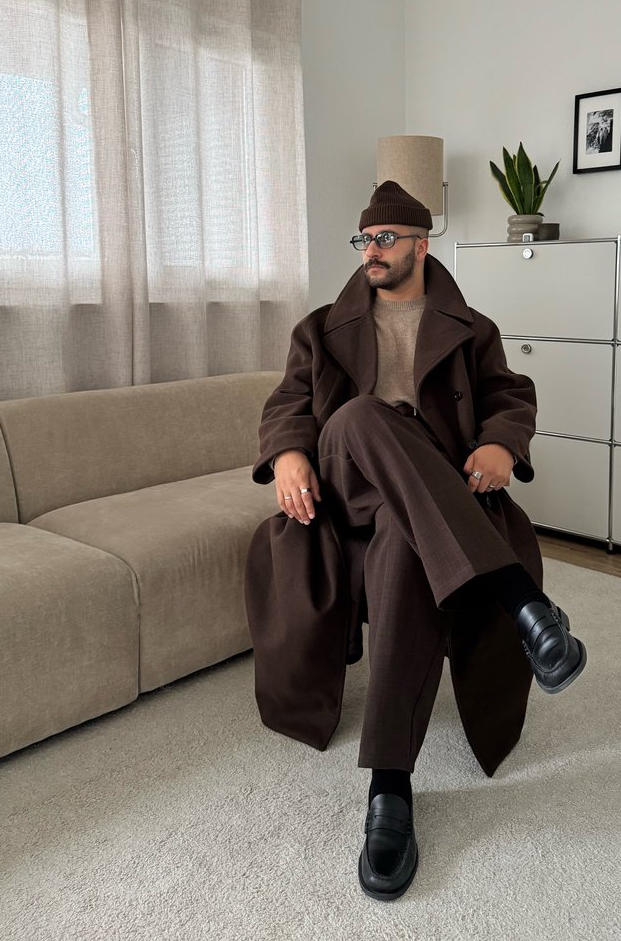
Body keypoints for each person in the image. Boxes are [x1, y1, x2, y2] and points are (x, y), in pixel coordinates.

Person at [245, 180, 586, 902]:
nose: (372, 250)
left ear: (421, 244)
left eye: (386, 239)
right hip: (343, 490)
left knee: (406, 546)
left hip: (423, 503)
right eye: (365, 240)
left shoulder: (472, 327)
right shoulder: (318, 328)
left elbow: (509, 396)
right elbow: (286, 405)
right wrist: (288, 455)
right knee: (363, 416)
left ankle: (389, 790)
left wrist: (500, 442)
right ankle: (524, 604)